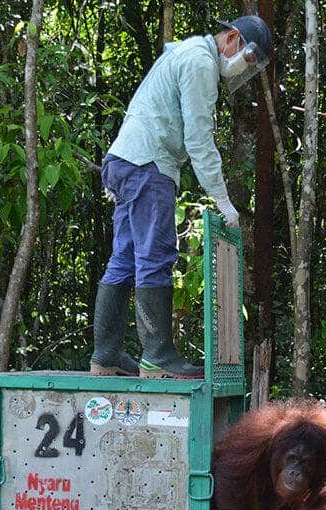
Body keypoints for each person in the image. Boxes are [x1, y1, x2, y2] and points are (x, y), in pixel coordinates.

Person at [89, 15, 272, 379]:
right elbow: (199, 140)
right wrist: (222, 200)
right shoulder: (201, 62)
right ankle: (158, 356)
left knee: (124, 258)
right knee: (154, 256)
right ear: (232, 38)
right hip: (149, 165)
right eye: (248, 59)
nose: (243, 69)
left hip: (125, 160)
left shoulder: (185, 52)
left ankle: (105, 356)